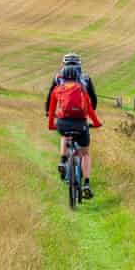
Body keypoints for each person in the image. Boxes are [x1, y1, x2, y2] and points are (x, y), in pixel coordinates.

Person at [48, 65, 102, 198]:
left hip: (62, 124)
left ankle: (63, 160)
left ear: (63, 77)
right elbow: (89, 109)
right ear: (78, 77)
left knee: (64, 137)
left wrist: (51, 125)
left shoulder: (57, 89)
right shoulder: (82, 89)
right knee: (85, 154)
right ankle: (86, 184)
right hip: (81, 125)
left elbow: (51, 111)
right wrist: (96, 123)